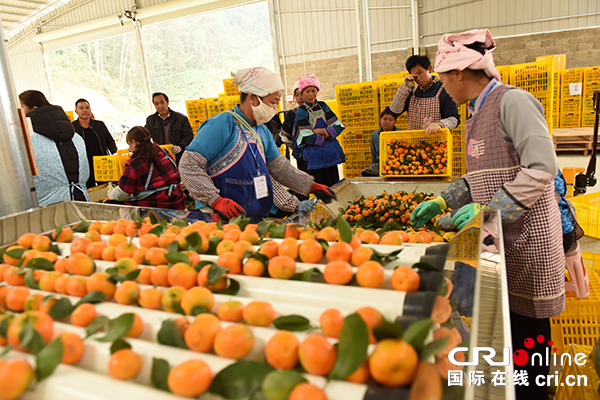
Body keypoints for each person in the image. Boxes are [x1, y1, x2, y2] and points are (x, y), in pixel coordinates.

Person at [410, 29, 564, 400]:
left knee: (529, 338)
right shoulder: (475, 113)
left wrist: (491, 208)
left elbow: (542, 167)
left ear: (460, 72)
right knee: (504, 331)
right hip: (498, 241)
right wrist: (445, 201)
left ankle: (535, 394)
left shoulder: (514, 102)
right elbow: (476, 174)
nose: (443, 87)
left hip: (528, 242)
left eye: (444, 78)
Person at [178, 67, 336, 222]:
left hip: (249, 212)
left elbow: (281, 169)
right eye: (272, 103)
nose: (274, 109)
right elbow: (188, 164)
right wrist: (215, 199)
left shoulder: (262, 131)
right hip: (220, 213)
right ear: (253, 98)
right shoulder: (223, 123)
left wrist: (311, 186)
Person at [18, 90, 90, 206]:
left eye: (21, 108)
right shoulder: (76, 138)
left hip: (47, 211)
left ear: (34, 109)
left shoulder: (27, 142)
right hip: (81, 202)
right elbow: (85, 174)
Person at [107, 126, 186, 210]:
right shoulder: (165, 153)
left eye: (129, 144)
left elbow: (121, 194)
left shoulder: (134, 164)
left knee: (110, 204)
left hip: (154, 208)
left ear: (134, 142)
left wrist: (110, 191)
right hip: (178, 203)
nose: (129, 149)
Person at [292, 75, 345, 187]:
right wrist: (328, 133)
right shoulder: (301, 112)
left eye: (313, 91)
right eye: (307, 91)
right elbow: (305, 136)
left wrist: (320, 131)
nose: (311, 94)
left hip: (331, 155)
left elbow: (338, 127)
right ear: (302, 93)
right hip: (315, 159)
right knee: (320, 191)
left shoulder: (323, 106)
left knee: (334, 188)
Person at [390, 55, 460, 133]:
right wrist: (404, 88)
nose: (418, 78)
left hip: (438, 143)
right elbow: (394, 111)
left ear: (430, 68)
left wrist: (439, 124)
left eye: (420, 73)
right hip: (414, 142)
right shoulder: (411, 92)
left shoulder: (444, 90)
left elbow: (454, 120)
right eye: (415, 76)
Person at [72, 98, 117, 188]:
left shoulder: (99, 125)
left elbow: (109, 141)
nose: (85, 110)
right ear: (76, 111)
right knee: (89, 190)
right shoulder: (72, 128)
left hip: (102, 164)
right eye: (81, 108)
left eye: (87, 107)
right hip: (84, 166)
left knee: (107, 188)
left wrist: (115, 154)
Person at [145, 92, 194, 163]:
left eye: (162, 102)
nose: (160, 106)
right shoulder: (151, 120)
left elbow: (188, 136)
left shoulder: (181, 119)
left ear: (167, 102)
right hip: (160, 157)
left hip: (179, 157)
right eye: (156, 104)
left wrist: (180, 147)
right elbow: (145, 135)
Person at [362, 107, 399, 176]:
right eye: (385, 119)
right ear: (380, 120)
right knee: (365, 172)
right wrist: (374, 165)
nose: (387, 122)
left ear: (395, 122)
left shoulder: (399, 134)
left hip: (396, 164)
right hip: (380, 164)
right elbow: (373, 152)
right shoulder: (375, 134)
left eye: (390, 120)